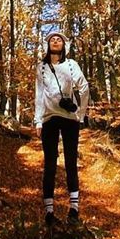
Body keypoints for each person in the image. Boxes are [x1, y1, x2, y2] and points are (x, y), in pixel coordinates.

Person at [34, 30, 89, 226]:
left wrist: (80, 114)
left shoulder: (72, 65)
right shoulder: (41, 67)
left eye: (59, 40)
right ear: (48, 45)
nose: (55, 41)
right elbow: (39, 94)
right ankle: (49, 211)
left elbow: (84, 87)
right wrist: (38, 120)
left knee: (70, 162)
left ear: (64, 45)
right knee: (49, 164)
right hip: (49, 118)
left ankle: (74, 209)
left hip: (69, 119)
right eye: (52, 40)